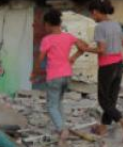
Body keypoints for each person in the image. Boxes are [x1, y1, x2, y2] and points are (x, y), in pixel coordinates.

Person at [78, 0, 123, 142]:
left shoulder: (100, 27)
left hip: (107, 67)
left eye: (92, 14)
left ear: (95, 12)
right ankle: (103, 128)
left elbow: (101, 50)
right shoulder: (116, 25)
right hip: (119, 64)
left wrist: (85, 49)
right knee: (111, 99)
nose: (92, 17)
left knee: (104, 101)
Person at [33, 9, 93, 145]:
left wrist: (35, 72)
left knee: (51, 106)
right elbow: (84, 47)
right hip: (67, 75)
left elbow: (40, 57)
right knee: (58, 102)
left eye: (44, 25)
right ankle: (62, 127)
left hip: (54, 76)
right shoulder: (68, 37)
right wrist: (73, 58)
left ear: (48, 24)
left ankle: (62, 130)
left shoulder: (47, 39)